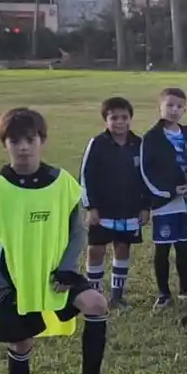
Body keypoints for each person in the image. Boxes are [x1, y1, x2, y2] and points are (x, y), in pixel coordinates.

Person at [0, 108, 121, 374]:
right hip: (15, 281)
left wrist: (69, 267)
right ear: (5, 144)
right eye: (15, 141)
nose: (23, 147)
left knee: (96, 303)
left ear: (42, 141)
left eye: (30, 139)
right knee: (21, 343)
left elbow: (78, 231)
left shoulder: (62, 183)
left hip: (58, 276)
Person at [140, 87, 187, 308]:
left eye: (179, 106)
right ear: (160, 107)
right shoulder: (151, 138)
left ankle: (185, 289)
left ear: (185, 109)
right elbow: (146, 171)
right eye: (169, 105)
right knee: (163, 247)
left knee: (183, 245)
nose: (174, 110)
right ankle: (163, 292)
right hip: (164, 201)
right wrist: (167, 191)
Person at [80, 97, 149, 308]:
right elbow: (86, 175)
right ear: (105, 120)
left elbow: (147, 177)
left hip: (129, 209)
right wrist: (91, 207)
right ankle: (95, 294)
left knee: (123, 247)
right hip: (103, 209)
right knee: (96, 249)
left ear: (130, 119)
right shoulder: (98, 144)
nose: (119, 122)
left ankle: (117, 296)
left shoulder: (139, 144)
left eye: (124, 117)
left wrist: (146, 206)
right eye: (114, 118)